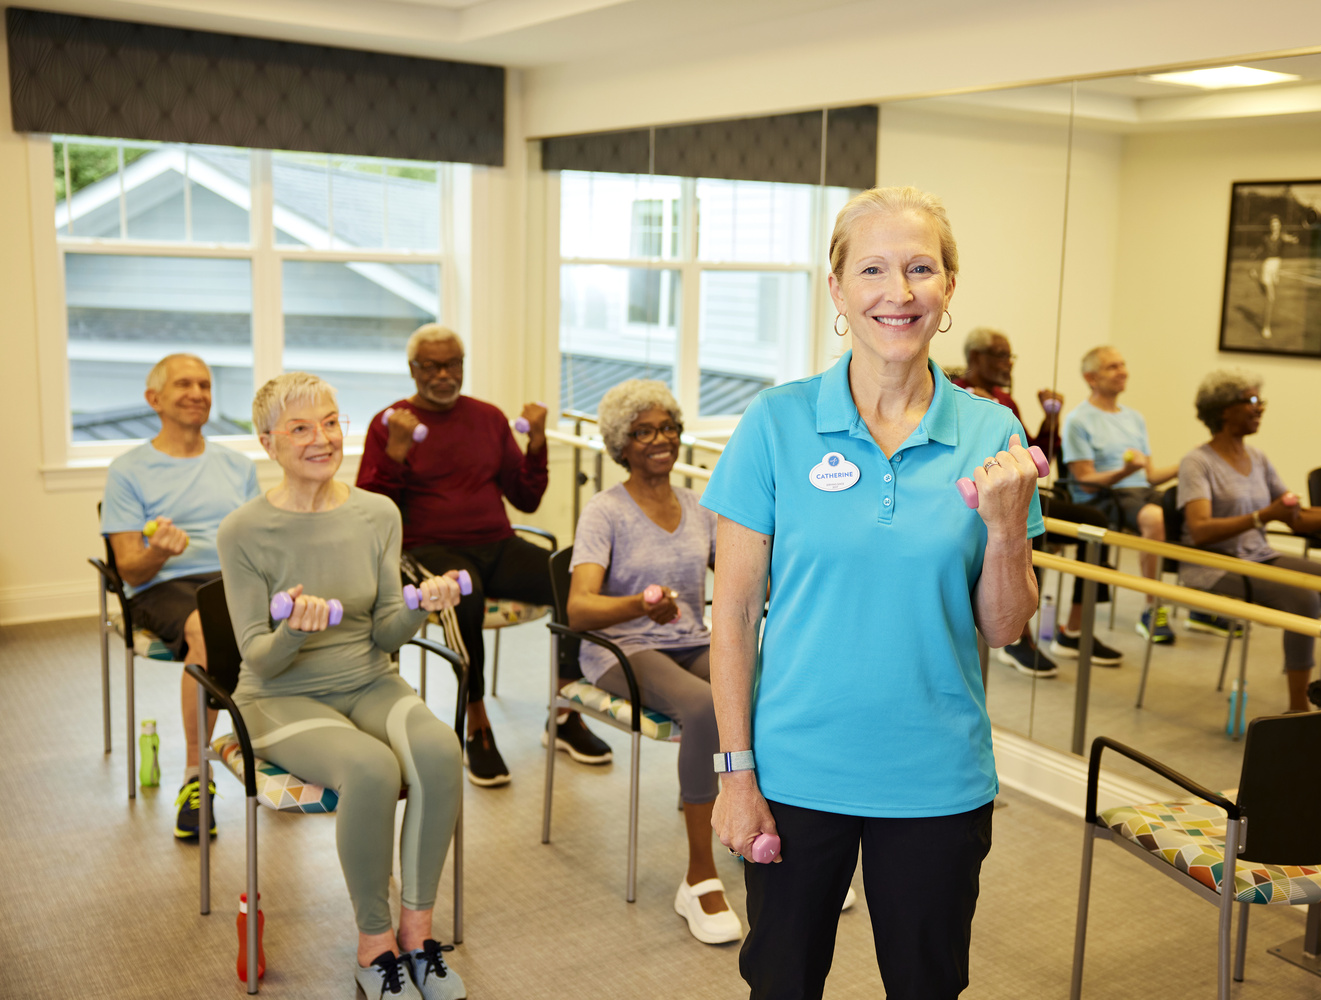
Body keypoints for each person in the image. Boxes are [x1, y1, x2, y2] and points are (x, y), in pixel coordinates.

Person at [704, 186, 1045, 999]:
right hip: (793, 772)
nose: (899, 292)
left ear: (949, 287)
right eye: (874, 269)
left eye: (921, 268)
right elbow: (734, 619)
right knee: (781, 984)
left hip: (936, 775)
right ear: (836, 290)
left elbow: (1002, 627)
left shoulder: (993, 432)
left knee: (926, 987)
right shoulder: (776, 423)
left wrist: (1004, 529)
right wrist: (734, 775)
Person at [219, 373, 467, 998]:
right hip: (277, 699)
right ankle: (374, 944)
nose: (322, 438)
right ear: (267, 441)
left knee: (440, 751)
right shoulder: (243, 531)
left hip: (366, 679)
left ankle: (418, 934)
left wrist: (421, 607)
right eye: (300, 428)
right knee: (371, 768)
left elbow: (385, 633)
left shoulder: (376, 513)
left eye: (330, 422)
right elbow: (259, 659)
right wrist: (296, 631)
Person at [357, 324, 610, 787]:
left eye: (452, 363)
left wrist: (536, 443)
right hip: (427, 550)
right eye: (431, 365)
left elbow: (526, 498)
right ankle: (476, 723)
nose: (443, 374)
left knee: (571, 582)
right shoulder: (389, 423)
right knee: (463, 595)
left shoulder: (488, 418)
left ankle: (564, 711)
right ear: (413, 370)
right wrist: (394, 452)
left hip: (497, 543)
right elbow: (372, 518)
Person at [565, 379, 741, 943]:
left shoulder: (697, 506)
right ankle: (699, 876)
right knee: (705, 707)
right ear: (622, 444)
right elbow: (579, 609)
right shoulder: (604, 513)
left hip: (690, 639)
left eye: (667, 427)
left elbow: (736, 577)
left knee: (757, 691)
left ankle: (757, 829)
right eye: (643, 432)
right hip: (623, 649)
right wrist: (638, 603)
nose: (660, 439)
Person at [100, 353, 260, 842]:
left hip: (230, 577)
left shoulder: (237, 466)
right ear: (154, 399)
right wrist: (157, 553)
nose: (198, 392)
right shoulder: (128, 470)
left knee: (287, 620)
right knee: (203, 628)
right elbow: (127, 566)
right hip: (161, 584)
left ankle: (276, 749)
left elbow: (258, 541)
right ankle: (198, 776)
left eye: (205, 384)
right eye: (184, 384)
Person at [1178, 370, 1321, 712]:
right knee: (1304, 599)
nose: (1260, 408)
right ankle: (1298, 711)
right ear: (1222, 410)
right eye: (1250, 401)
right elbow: (1200, 529)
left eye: (1260, 401)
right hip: (1213, 566)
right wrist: (1262, 516)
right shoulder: (1197, 462)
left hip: (1259, 556)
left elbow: (1296, 516)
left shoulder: (1258, 458)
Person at [951, 327, 1124, 675]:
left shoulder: (1005, 402)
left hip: (1019, 493)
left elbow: (1035, 457)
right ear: (975, 359)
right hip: (976, 500)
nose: (1008, 364)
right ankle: (1020, 639)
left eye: (1010, 356)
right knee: (1032, 531)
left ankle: (1074, 629)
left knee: (1094, 523)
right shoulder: (956, 397)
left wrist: (1051, 416)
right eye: (1000, 355)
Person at [1062, 345, 1182, 643]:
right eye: (1112, 367)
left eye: (1123, 365)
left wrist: (1185, 466)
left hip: (1140, 491)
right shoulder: (1078, 420)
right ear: (1091, 377)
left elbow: (1151, 475)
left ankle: (1205, 602)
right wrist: (1125, 472)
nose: (1123, 371)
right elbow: (1086, 481)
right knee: (1155, 517)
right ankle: (1153, 609)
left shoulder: (1134, 418)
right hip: (1105, 496)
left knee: (1191, 510)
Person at [1254, 215, 1298, 339]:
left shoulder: (1282, 237)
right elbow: (1261, 249)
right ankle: (1266, 327)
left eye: (1277, 224)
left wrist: (1294, 240)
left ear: (1280, 226)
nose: (1275, 227)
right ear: (1270, 226)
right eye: (1273, 224)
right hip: (1267, 267)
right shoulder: (1265, 238)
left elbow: (1290, 240)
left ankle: (1257, 280)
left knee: (1265, 293)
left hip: (1276, 268)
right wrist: (1255, 254)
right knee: (1271, 298)